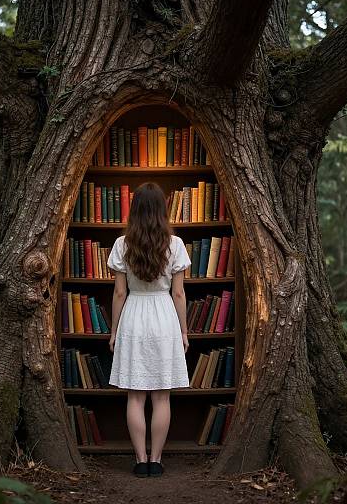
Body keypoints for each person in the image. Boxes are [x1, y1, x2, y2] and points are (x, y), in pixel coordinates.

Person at [106, 181, 191, 478]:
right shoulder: (176, 245)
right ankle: (156, 460)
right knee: (162, 397)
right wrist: (183, 331)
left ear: (135, 210)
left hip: (134, 316)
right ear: (162, 210)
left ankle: (140, 460)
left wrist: (114, 331)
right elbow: (178, 294)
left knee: (135, 396)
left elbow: (119, 293)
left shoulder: (122, 244)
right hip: (164, 316)